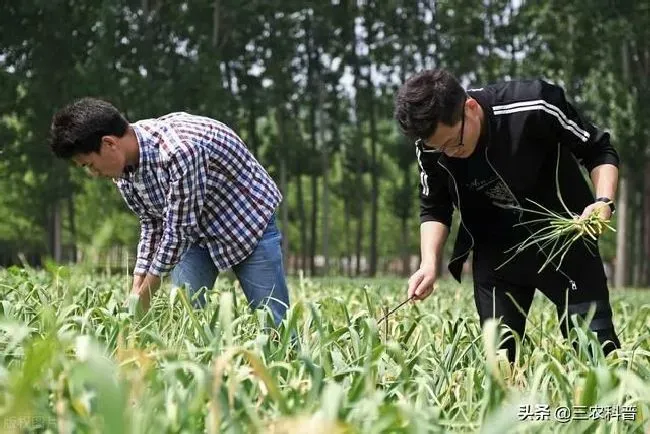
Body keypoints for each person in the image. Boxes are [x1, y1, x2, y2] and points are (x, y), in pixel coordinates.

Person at [394, 69, 621, 362]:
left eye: (455, 143)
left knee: (597, 355)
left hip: (565, 242)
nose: (448, 154)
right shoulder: (431, 146)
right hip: (497, 255)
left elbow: (598, 149)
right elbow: (434, 206)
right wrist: (428, 263)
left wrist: (604, 201)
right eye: (440, 148)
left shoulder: (534, 105)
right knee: (499, 365)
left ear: (470, 108)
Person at [49, 98, 290, 326]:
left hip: (244, 221)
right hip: (193, 235)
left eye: (90, 165)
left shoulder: (180, 150)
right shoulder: (124, 169)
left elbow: (178, 232)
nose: (93, 173)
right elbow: (152, 223)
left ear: (110, 143)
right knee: (186, 318)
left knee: (272, 320)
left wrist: (146, 296)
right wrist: (137, 288)